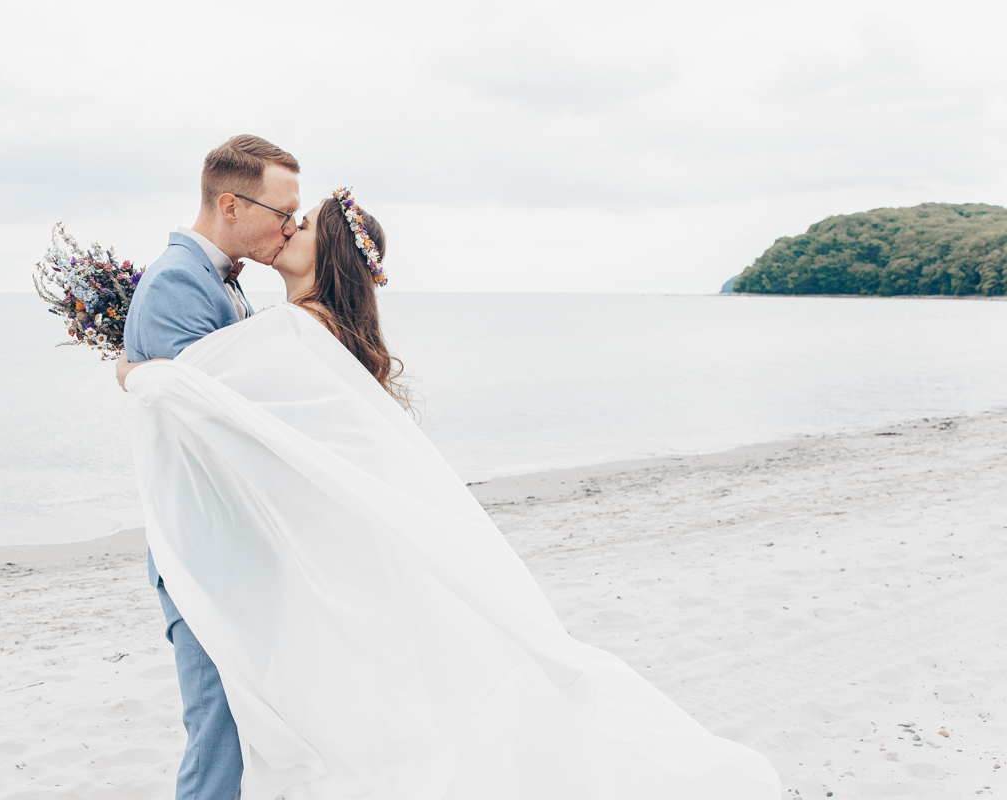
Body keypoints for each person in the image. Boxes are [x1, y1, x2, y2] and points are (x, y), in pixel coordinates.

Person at [117, 190, 780, 799]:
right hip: (335, 565)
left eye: (306, 223)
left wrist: (129, 368)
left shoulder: (296, 332)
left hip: (321, 573)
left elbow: (196, 392)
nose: (290, 227)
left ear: (335, 253)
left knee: (315, 734)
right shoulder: (320, 335)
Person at [122, 133, 301, 800]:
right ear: (231, 203)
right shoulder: (176, 282)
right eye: (281, 211)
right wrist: (137, 374)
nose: (291, 225)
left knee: (249, 726)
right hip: (200, 553)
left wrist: (132, 370)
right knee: (219, 735)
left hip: (233, 546)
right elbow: (214, 422)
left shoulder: (218, 281)